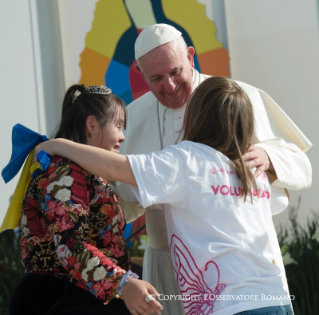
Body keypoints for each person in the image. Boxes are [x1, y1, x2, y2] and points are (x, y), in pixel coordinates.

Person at [33, 76, 294, 314]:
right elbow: (282, 200)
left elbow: (115, 167)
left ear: (197, 116)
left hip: (230, 304)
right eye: (119, 125)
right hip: (276, 297)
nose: (123, 137)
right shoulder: (255, 169)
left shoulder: (187, 160)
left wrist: (56, 144)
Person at [115, 24, 312, 314]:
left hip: (237, 268)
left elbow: (303, 166)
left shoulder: (236, 97)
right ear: (141, 74)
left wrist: (269, 156)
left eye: (175, 72)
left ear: (190, 56)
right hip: (169, 260)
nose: (169, 85)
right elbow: (120, 197)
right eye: (156, 78)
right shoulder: (130, 117)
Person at [8, 84, 162, 315]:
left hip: (77, 293)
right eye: (118, 125)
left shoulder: (78, 171)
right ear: (91, 124)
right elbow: (71, 245)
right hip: (60, 296)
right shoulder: (64, 172)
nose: (122, 137)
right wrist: (123, 284)